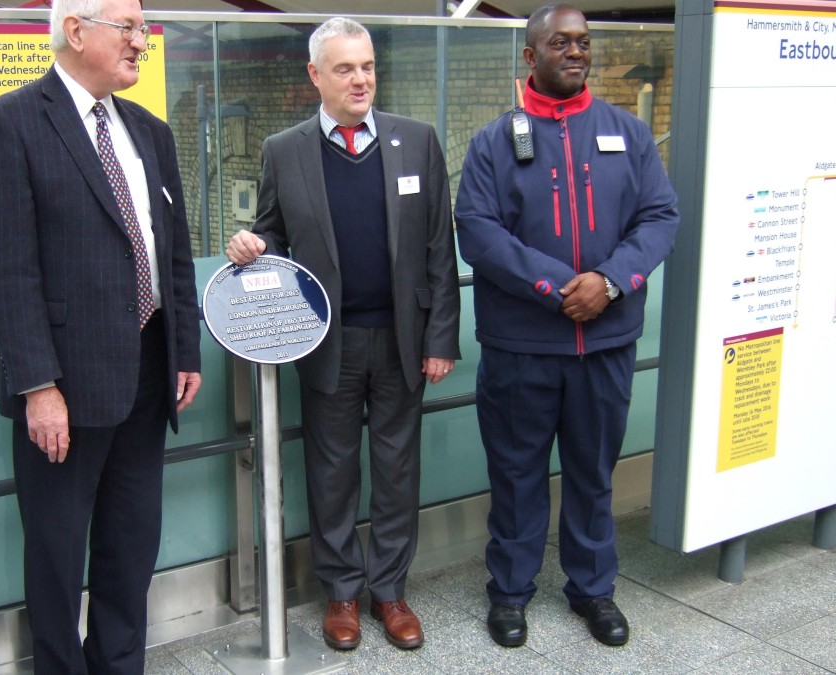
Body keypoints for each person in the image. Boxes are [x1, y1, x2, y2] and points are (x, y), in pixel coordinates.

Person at [0, 0, 202, 671]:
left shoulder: (149, 132)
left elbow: (173, 253)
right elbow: (9, 272)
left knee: (131, 547)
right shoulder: (12, 122)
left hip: (149, 373)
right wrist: (39, 386)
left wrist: (184, 348)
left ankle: (119, 662)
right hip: (65, 387)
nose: (141, 41)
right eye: (127, 28)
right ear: (75, 31)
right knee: (56, 554)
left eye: (143, 28)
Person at [226, 17, 460, 652]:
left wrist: (441, 338)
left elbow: (440, 247)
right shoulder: (286, 149)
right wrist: (252, 243)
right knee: (331, 473)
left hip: (402, 340)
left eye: (367, 67)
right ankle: (343, 593)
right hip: (324, 340)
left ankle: (390, 591)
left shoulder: (417, 140)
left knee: (396, 469)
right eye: (345, 69)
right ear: (316, 76)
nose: (360, 80)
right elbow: (272, 229)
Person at [454, 3, 678, 649]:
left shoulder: (627, 133)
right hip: (521, 348)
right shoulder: (494, 142)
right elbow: (479, 232)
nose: (576, 52)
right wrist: (557, 290)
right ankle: (511, 591)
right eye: (560, 42)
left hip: (604, 344)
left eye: (583, 42)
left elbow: (660, 217)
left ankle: (592, 588)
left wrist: (608, 281)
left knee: (592, 472)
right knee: (517, 475)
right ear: (531, 55)